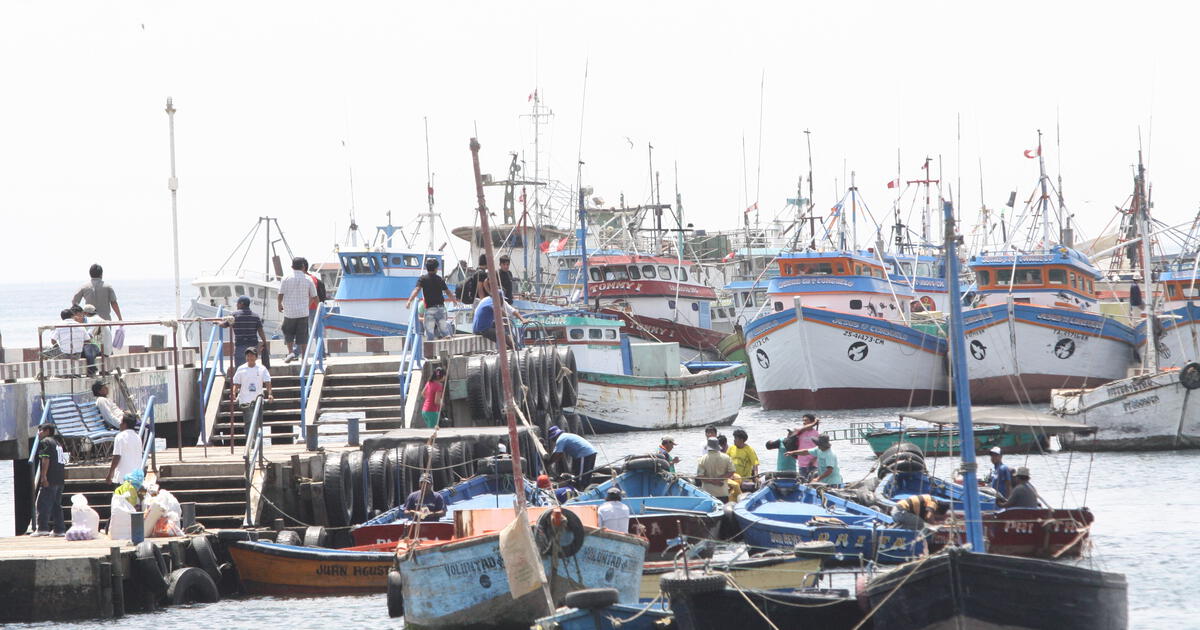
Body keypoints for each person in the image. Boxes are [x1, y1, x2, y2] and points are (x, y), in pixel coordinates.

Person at [278, 257, 317, 362]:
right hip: (303, 312)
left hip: (289, 312)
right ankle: (304, 358)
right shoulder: (308, 279)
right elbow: (314, 297)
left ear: (292, 267)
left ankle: (290, 352)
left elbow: (280, 294)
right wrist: (310, 306)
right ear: (303, 267)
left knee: (288, 332)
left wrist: (279, 305)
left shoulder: (286, 278)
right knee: (303, 335)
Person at [409, 258, 457, 341]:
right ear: (436, 269)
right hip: (441, 308)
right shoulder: (440, 279)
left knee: (429, 331)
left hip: (430, 308)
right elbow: (448, 292)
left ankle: (430, 349)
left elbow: (416, 290)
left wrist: (410, 300)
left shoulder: (423, 279)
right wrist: (454, 300)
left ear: (427, 268)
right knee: (444, 328)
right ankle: (447, 337)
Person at [32, 423, 66, 536]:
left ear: (47, 431)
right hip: (60, 478)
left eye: (40, 430)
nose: (38, 433)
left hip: (50, 478)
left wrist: (43, 476)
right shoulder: (58, 443)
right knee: (56, 504)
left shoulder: (45, 442)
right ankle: (59, 529)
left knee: (42, 502)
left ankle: (42, 528)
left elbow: (45, 459)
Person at [471, 276, 525, 344]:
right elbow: (497, 310)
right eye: (502, 298)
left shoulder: (495, 300)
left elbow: (512, 310)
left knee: (503, 327)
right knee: (503, 336)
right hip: (481, 329)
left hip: (485, 326)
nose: (502, 300)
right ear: (498, 297)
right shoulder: (490, 301)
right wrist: (506, 317)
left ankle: (510, 345)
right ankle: (513, 348)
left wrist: (522, 319)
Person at [221, 296, 269, 368]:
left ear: (241, 303)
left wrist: (217, 322)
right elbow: (260, 331)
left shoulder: (234, 315)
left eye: (237, 303)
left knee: (240, 368)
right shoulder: (255, 316)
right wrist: (264, 342)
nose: (236, 305)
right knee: (251, 366)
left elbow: (224, 325)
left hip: (240, 345)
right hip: (253, 345)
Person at [54, 308, 99, 376]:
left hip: (65, 355)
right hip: (77, 355)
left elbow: (53, 341)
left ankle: (58, 373)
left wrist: (59, 347)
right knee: (92, 347)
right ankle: (88, 370)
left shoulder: (59, 325)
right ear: (72, 316)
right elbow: (88, 340)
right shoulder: (80, 325)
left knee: (48, 351)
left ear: (62, 317)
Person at [107, 413, 143, 484]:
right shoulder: (138, 437)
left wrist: (110, 474)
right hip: (136, 479)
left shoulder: (119, 437)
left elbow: (116, 457)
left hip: (122, 479)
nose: (119, 424)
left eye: (121, 422)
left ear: (125, 424)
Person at [696, 437, 736, 502]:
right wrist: (719, 479)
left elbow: (700, 476)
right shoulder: (726, 457)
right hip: (722, 492)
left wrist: (713, 481)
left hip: (707, 493)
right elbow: (732, 471)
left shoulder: (702, 459)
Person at [794, 414, 820, 479]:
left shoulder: (816, 433)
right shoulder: (799, 432)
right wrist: (814, 423)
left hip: (813, 463)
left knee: (812, 482)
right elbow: (800, 429)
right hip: (802, 463)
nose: (804, 422)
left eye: (806, 420)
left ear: (811, 421)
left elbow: (819, 449)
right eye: (803, 420)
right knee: (802, 481)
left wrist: (814, 460)